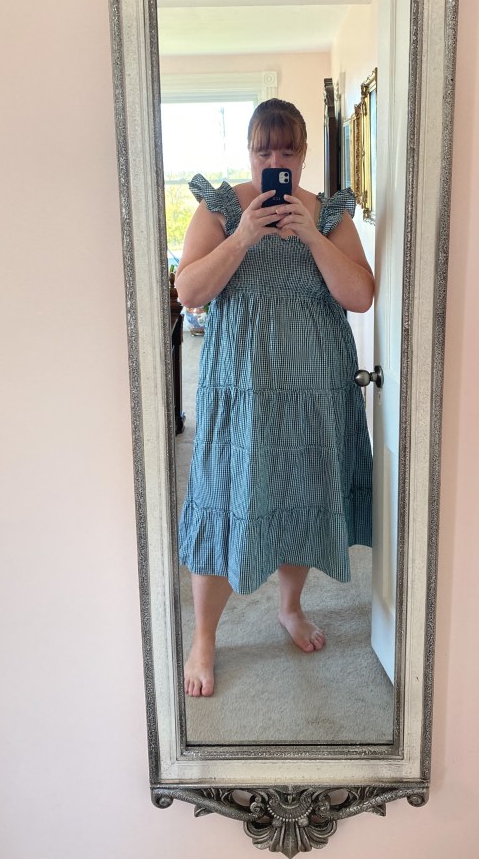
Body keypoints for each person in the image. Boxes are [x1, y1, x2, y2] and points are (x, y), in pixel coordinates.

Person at [175, 98, 374, 697]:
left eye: (287, 152)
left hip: (313, 394)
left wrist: (311, 234)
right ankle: (204, 637)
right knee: (221, 500)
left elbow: (359, 295)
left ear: (304, 154)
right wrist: (242, 236)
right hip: (239, 394)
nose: (275, 163)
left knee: (300, 501)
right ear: (249, 152)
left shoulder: (330, 215)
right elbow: (189, 291)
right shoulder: (220, 209)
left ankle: (290, 608)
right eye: (264, 152)